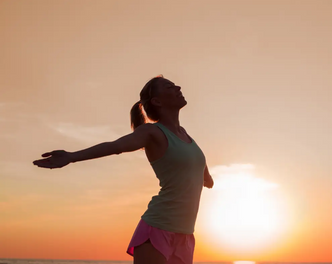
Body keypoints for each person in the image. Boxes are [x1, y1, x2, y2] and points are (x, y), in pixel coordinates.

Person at [33, 75, 214, 264]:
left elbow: (198, 166)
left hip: (185, 235)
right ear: (157, 101)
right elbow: (115, 146)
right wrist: (71, 156)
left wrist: (207, 178)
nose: (178, 87)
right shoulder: (152, 132)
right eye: (169, 87)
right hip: (158, 229)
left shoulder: (185, 135)